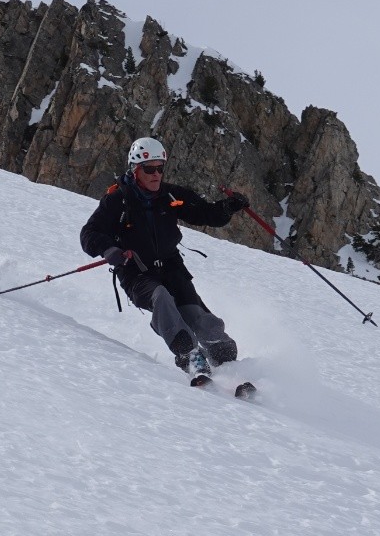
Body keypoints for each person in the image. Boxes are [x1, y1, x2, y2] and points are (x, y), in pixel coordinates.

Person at [80, 136, 251, 376]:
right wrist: (110, 250)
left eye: (160, 168)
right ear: (135, 170)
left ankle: (228, 363)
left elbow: (204, 213)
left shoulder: (170, 196)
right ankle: (189, 355)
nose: (156, 174)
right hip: (136, 271)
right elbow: (89, 233)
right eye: (149, 169)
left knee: (195, 314)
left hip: (172, 268)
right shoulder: (118, 200)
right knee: (161, 298)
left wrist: (226, 208)